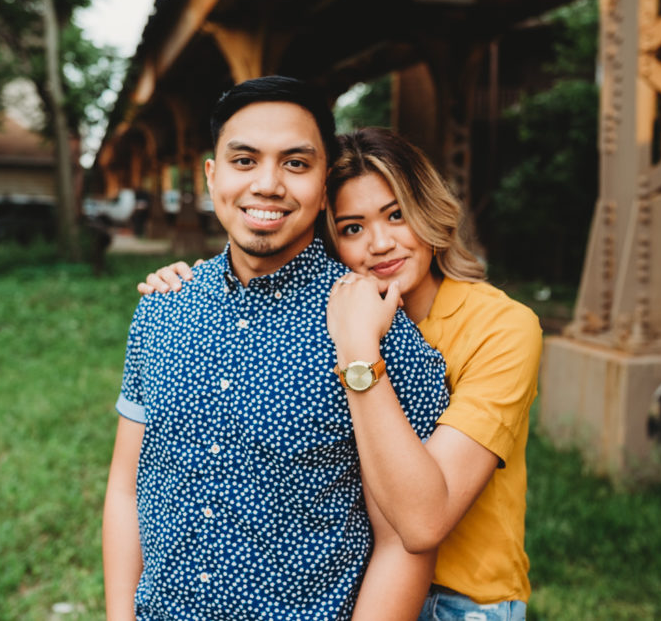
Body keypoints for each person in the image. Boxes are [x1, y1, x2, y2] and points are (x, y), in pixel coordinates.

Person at [141, 127, 543, 620]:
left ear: (430, 210)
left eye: (397, 215)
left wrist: (359, 352)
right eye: (352, 228)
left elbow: (422, 523)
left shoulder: (502, 329)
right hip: (351, 588)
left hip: (456, 601)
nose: (379, 243)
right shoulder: (316, 319)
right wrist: (199, 282)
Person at [103, 78, 449, 621]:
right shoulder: (162, 310)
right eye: (244, 160)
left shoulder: (375, 329)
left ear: (322, 182)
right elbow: (127, 488)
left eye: (295, 163)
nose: (267, 184)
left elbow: (405, 544)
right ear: (212, 174)